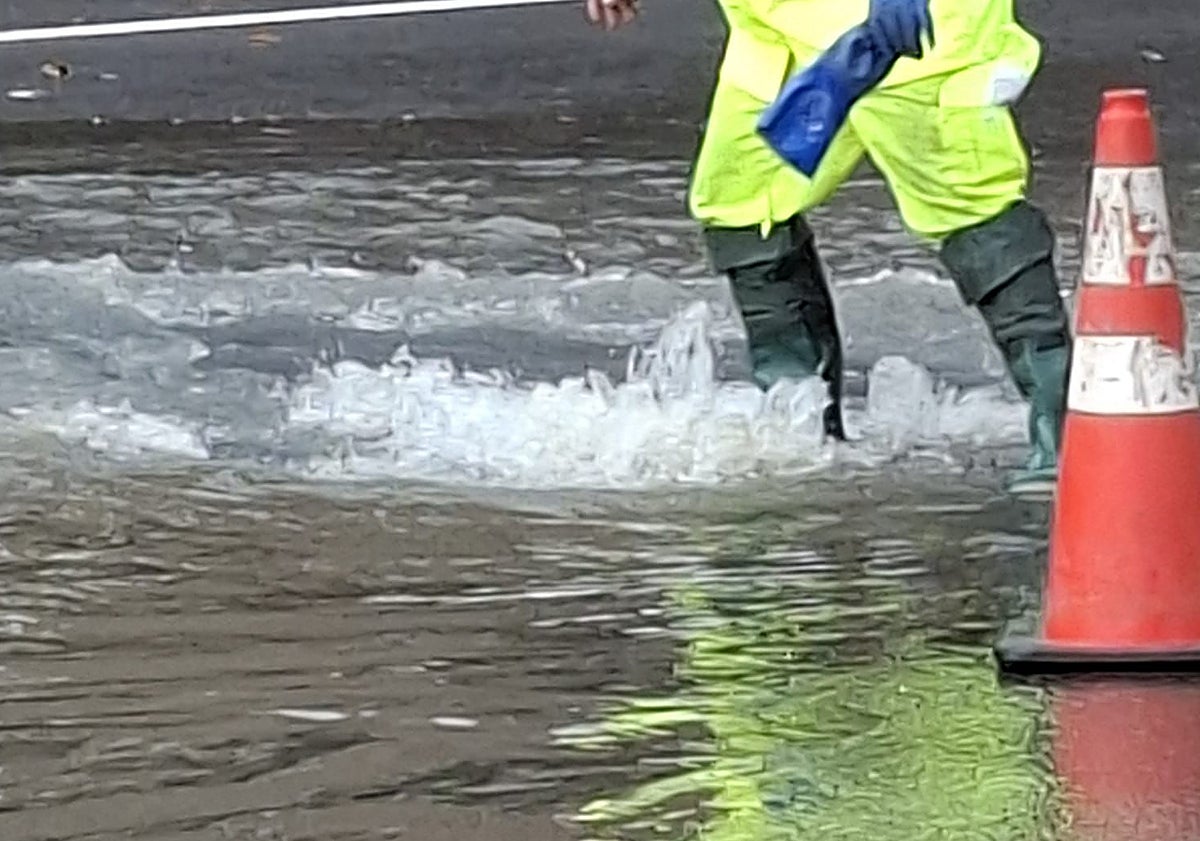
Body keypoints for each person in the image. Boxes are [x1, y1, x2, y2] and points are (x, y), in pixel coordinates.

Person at [583, 0, 1072, 495]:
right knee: (743, 202)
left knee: (973, 206)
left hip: (918, 35)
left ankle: (1075, 440)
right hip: (778, 29)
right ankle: (800, 428)